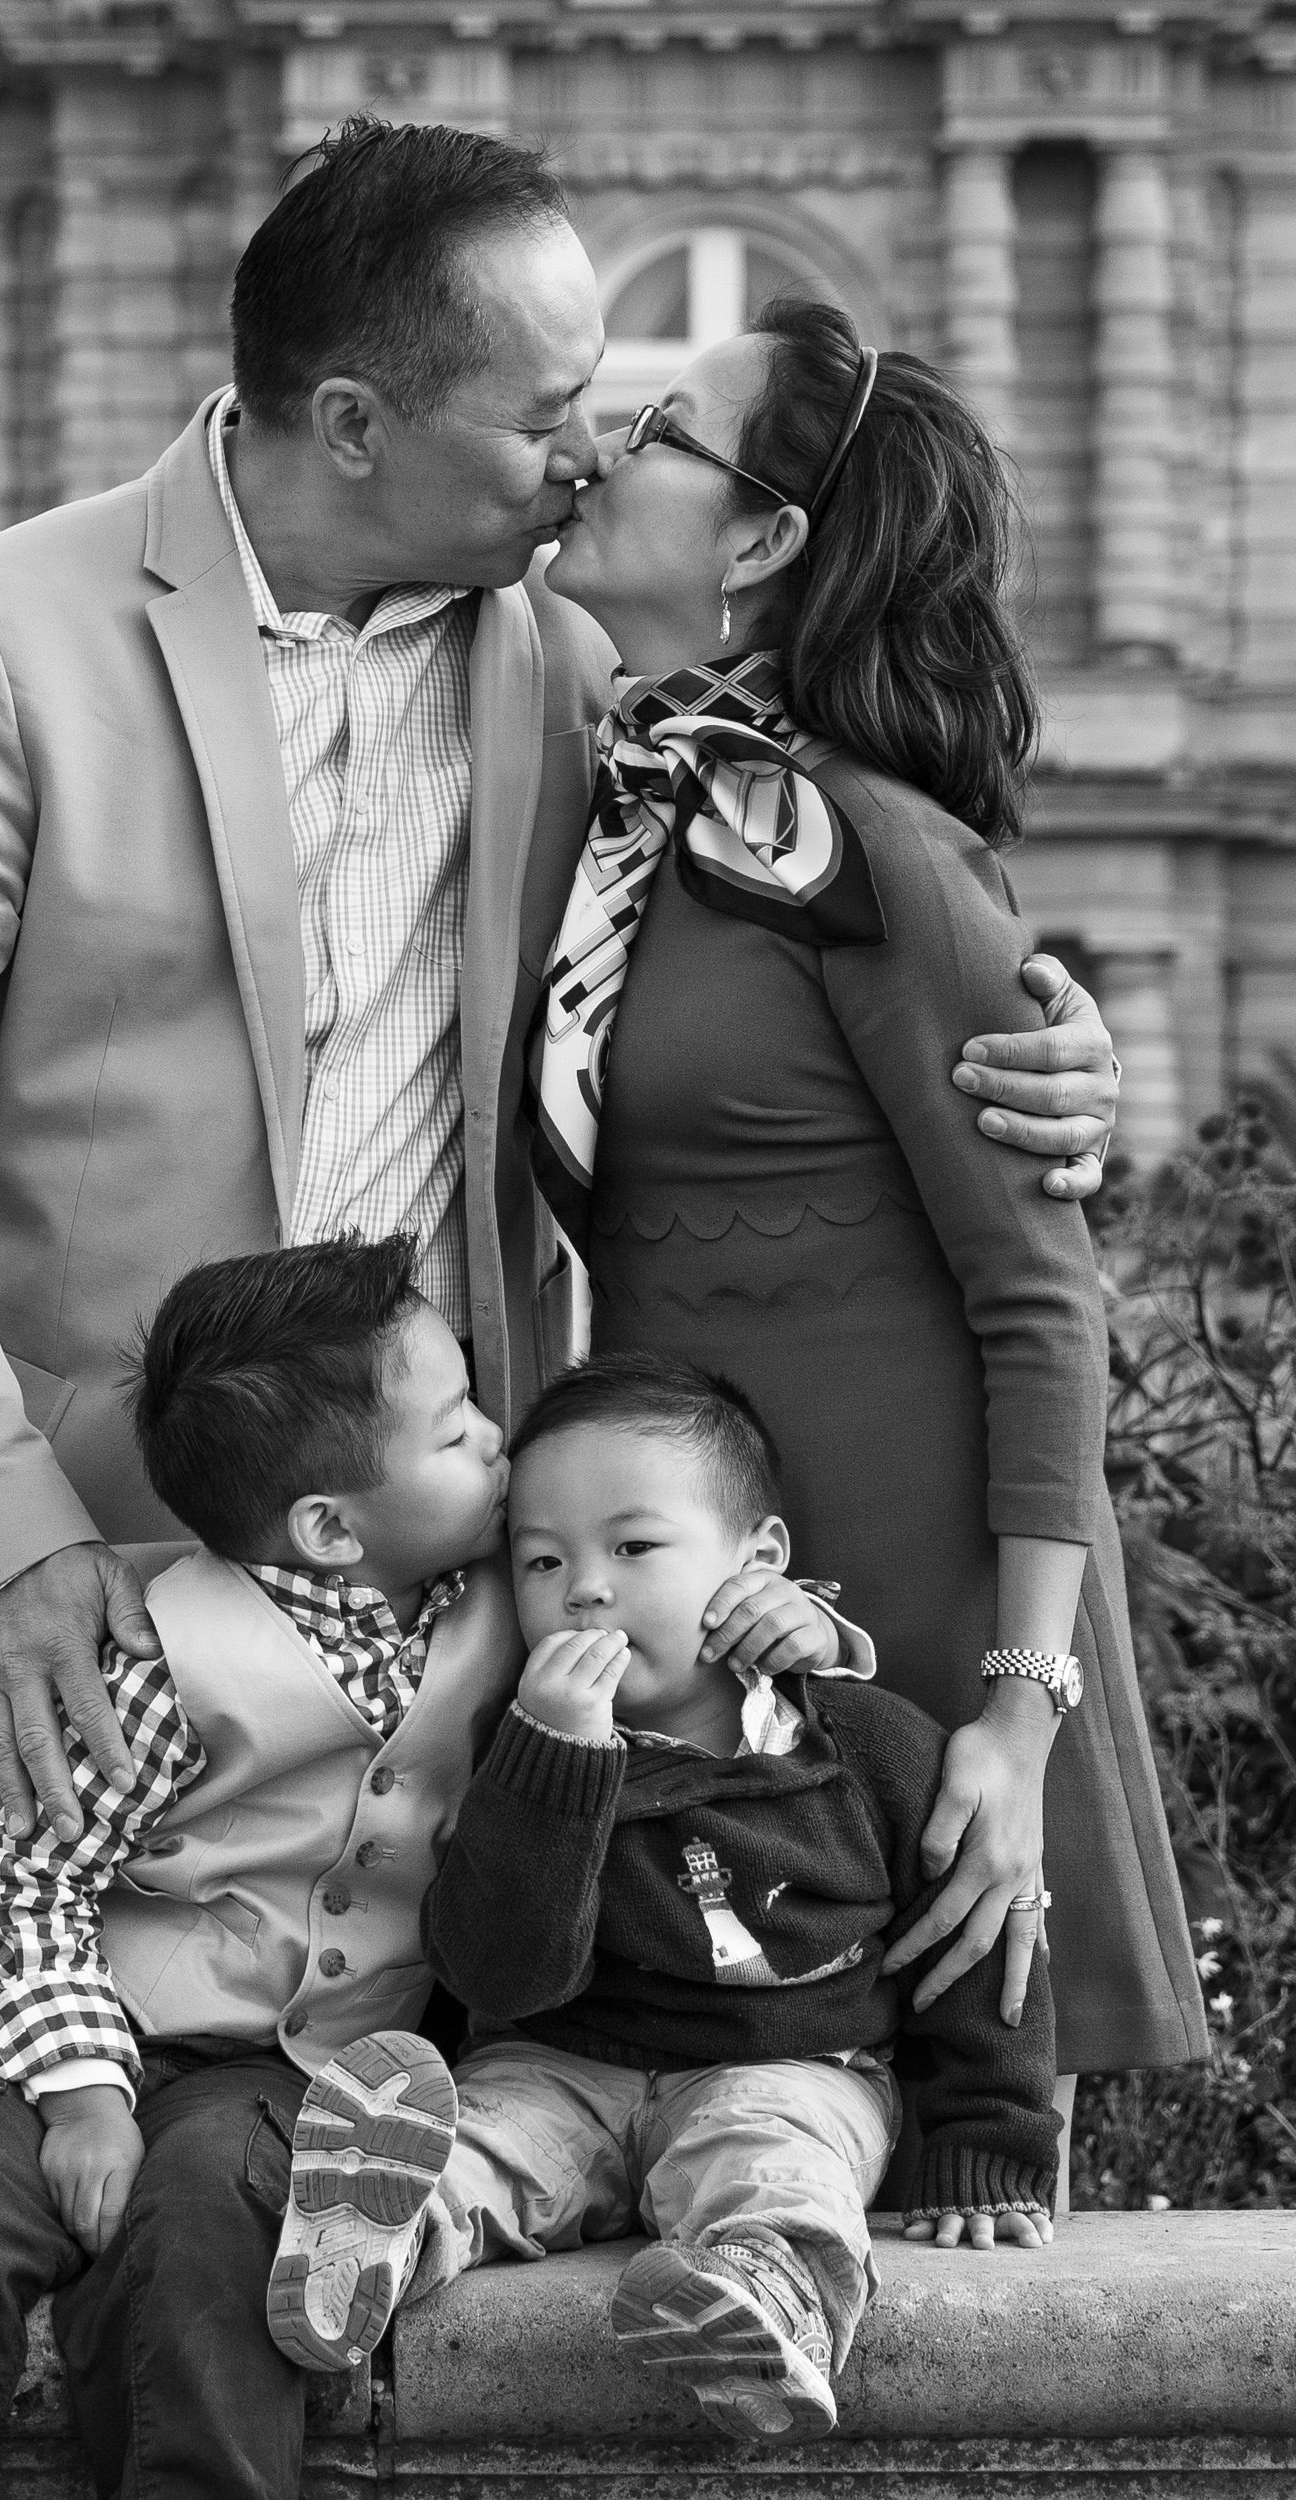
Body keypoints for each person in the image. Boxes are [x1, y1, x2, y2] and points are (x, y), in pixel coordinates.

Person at [0, 118, 1122, 2212]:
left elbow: (851, 894)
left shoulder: (576, 668)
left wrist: (1048, 1053)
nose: (589, 464)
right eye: (547, 416)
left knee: (345, 2221)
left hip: (437, 1603)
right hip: (40, 1576)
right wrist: (1, 1538)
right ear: (350, 419)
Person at [0, 1243, 852, 2500]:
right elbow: (23, 1885)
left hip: (284, 2066)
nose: (498, 1444)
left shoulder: (522, 1595)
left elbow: (691, 1609)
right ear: (331, 1525)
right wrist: (79, 2096)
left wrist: (798, 1623)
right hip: (48, 2029)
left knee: (214, 2267)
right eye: (456, 1433)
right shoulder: (163, 1655)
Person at [526, 297, 1205, 2110]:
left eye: (661, 428)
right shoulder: (638, 812)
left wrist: (1012, 1712)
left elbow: (1042, 1299)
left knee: (954, 2203)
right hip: (709, 1594)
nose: (598, 444)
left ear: (760, 540)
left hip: (920, 1622)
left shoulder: (873, 844)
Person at [262, 1356, 1061, 2444]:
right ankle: (380, 2238)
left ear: (757, 1562)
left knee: (770, 2151)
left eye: (632, 1547)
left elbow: (963, 1949)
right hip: (562, 2064)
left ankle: (760, 2290)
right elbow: (499, 1972)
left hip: (788, 2065)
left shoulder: (862, 1744)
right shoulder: (520, 1747)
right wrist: (553, 1766)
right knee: (488, 2138)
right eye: (540, 1560)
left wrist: (986, 2143)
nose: (582, 1587)